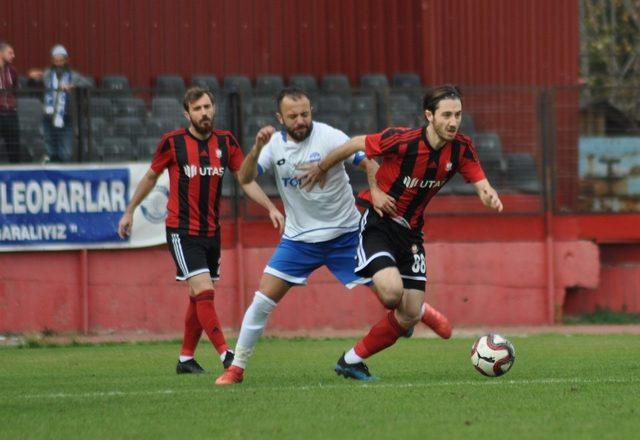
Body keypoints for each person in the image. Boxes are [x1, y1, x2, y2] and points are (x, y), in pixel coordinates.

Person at [215, 87, 452, 386]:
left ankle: (419, 311)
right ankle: (236, 369)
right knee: (261, 301)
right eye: (293, 116)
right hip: (298, 241)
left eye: (305, 114)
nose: (300, 120)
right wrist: (255, 149)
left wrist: (376, 191)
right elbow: (245, 178)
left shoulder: (329, 137)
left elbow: (369, 161)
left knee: (392, 297)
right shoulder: (273, 145)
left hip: (347, 235)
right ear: (280, 117)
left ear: (311, 110)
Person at [298, 84, 504, 380]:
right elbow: (358, 144)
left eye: (457, 115)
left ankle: (351, 360)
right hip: (379, 224)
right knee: (392, 295)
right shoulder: (403, 140)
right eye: (446, 115)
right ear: (429, 115)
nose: (453, 122)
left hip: (412, 236)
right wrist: (322, 167)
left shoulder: (461, 148)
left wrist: (488, 194)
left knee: (407, 312)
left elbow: (481, 182)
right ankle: (413, 309)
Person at [117, 87, 284, 374]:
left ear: (214, 108)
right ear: (187, 114)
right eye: (197, 109)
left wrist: (270, 206)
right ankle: (226, 354)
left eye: (207, 107)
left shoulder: (226, 141)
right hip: (182, 231)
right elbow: (150, 176)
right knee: (204, 291)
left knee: (198, 297)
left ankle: (186, 359)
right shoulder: (172, 143)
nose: (204, 113)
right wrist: (130, 210)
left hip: (211, 232)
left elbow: (245, 180)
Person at [29, 44, 91, 162]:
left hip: (66, 116)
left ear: (66, 60)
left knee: (66, 152)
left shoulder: (73, 75)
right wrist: (32, 77)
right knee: (49, 148)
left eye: (61, 60)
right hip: (48, 115)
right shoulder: (47, 74)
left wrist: (73, 86)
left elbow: (88, 84)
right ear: (52, 61)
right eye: (56, 61)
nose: (58, 63)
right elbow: (33, 84)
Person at [0, 41, 20, 163]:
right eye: (10, 53)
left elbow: (15, 89)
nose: (13, 55)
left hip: (10, 113)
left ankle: (16, 173)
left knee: (14, 146)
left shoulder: (12, 71)